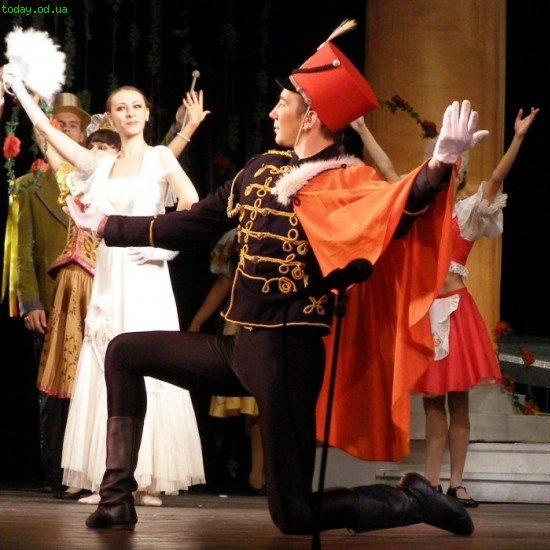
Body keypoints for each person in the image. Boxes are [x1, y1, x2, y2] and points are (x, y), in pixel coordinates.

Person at [11, 28, 481, 536]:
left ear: (310, 117)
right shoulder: (260, 170)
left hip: (289, 359)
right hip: (241, 349)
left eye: (283, 105)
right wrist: (106, 226)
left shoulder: (347, 181)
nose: (273, 113)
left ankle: (411, 499)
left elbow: (398, 209)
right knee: (123, 352)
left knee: (295, 515)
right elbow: (192, 223)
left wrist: (438, 167)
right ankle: (116, 500)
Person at [2, 71, 209, 506]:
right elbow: (48, 133)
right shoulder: (101, 164)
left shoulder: (159, 158)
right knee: (105, 363)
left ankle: (148, 479)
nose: (129, 113)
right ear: (110, 118)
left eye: (136, 107)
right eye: (120, 108)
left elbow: (191, 204)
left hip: (147, 275)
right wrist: (19, 89)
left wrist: (163, 248)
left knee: (150, 364)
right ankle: (108, 478)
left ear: (147, 114)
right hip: (111, 275)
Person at [353, 108, 539, 507]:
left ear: (459, 174)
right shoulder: (418, 212)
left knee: (459, 403)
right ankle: (431, 484)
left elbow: (496, 179)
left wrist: (518, 138)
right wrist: (364, 129)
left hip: (456, 315)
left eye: (453, 170)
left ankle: (456, 482)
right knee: (433, 405)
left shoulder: (466, 213)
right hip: (425, 314)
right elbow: (388, 171)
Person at [35, 122, 120, 502]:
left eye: (107, 147)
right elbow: (50, 149)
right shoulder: (75, 181)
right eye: (94, 146)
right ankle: (74, 470)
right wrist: (33, 107)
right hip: (72, 285)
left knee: (103, 376)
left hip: (105, 284)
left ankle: (102, 472)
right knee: (73, 380)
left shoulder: (123, 184)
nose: (99, 152)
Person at [15, 92, 90, 493]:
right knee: (52, 391)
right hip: (51, 301)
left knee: (91, 386)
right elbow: (23, 249)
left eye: (73, 125)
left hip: (93, 299)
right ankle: (57, 470)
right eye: (58, 124)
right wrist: (30, 301)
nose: (66, 130)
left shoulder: (98, 180)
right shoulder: (30, 188)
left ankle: (89, 469)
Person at [188, 228, 265, 495]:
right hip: (245, 321)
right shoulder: (238, 236)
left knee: (262, 404)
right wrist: (197, 322)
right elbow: (225, 282)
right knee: (254, 404)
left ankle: (261, 474)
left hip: (267, 319)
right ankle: (253, 474)